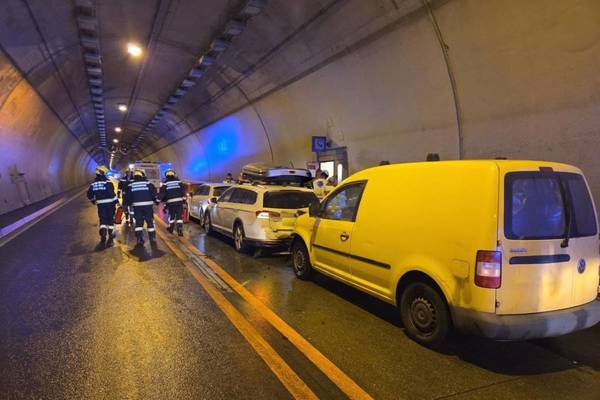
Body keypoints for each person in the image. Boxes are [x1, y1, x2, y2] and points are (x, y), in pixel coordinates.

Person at [124, 169, 160, 246]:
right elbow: (154, 195)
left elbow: (127, 197)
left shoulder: (130, 186)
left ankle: (139, 238)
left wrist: (126, 204)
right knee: (150, 222)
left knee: (138, 223)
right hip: (148, 207)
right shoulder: (149, 184)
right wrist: (156, 201)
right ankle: (152, 237)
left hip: (137, 207)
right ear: (143, 175)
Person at [87, 165, 118, 245]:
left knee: (102, 219)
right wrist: (117, 202)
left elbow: (89, 194)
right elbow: (111, 193)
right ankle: (110, 234)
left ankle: (103, 234)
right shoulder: (108, 182)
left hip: (100, 204)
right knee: (110, 218)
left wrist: (93, 200)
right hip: (110, 204)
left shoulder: (93, 184)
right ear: (103, 173)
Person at [159, 168, 186, 236]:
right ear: (174, 174)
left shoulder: (165, 183)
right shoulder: (179, 182)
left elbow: (163, 194)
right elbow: (183, 191)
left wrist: (162, 202)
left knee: (172, 216)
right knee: (179, 217)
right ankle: (180, 230)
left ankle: (171, 229)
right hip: (179, 202)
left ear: (166, 175)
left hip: (171, 203)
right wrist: (184, 201)